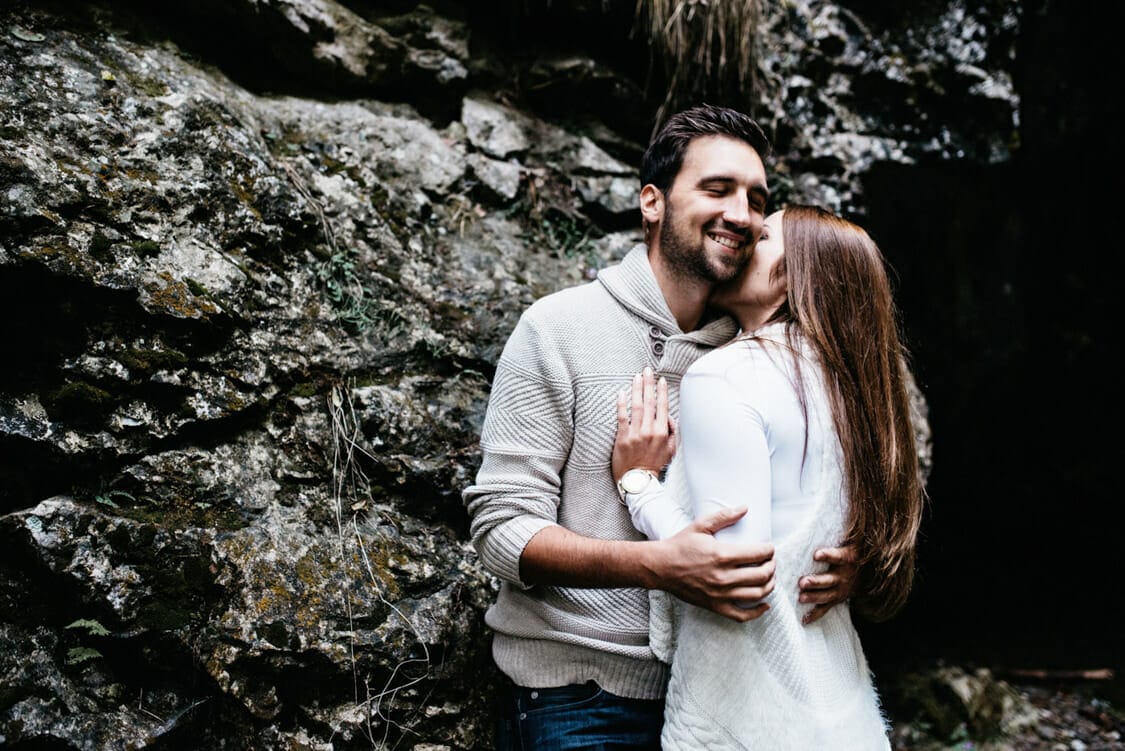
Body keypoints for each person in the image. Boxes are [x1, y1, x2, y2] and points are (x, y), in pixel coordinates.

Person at [463, 104, 859, 750]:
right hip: (582, 695)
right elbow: (501, 530)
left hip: (727, 694)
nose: (742, 212)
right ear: (652, 202)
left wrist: (852, 561)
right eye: (717, 188)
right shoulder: (558, 328)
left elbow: (822, 485)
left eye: (757, 198)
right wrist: (655, 564)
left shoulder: (757, 348)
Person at [612, 205, 926, 749]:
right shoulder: (857, 393)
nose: (741, 236)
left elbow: (736, 576)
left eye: (761, 236)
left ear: (793, 277)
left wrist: (640, 484)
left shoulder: (729, 374)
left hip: (748, 714)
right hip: (839, 710)